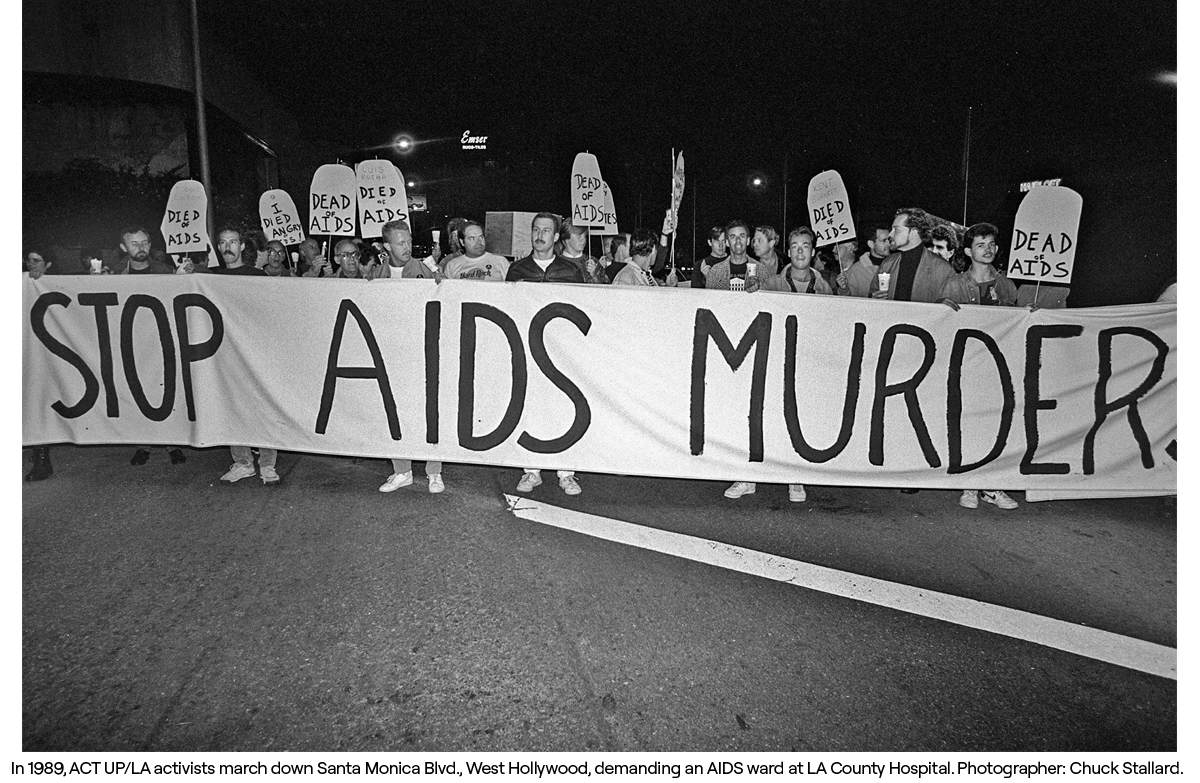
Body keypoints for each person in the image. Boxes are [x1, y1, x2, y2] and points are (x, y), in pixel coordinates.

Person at [939, 222, 1019, 511]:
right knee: (968, 422)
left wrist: (1028, 314)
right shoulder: (955, 285)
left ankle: (992, 485)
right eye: (981, 244)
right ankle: (970, 483)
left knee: (996, 423)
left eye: (992, 245)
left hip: (996, 367)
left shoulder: (1007, 285)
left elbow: (1014, 325)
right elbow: (941, 325)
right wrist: (943, 311)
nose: (988, 250)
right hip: (966, 365)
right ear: (968, 250)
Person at [506, 213, 584, 495]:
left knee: (564, 408)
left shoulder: (570, 271)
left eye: (546, 231)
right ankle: (532, 470)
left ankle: (566, 472)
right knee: (530, 407)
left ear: (555, 237)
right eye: (536, 230)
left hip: (560, 354)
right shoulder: (517, 270)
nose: (540, 235)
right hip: (527, 351)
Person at [115, 226, 190, 466]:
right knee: (135, 391)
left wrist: (184, 278)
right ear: (123, 248)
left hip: (161, 341)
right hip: (132, 342)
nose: (141, 248)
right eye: (134, 244)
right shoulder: (113, 275)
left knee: (167, 390)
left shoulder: (166, 271)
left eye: (144, 242)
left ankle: (173, 443)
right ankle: (142, 444)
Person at [869, 208, 955, 302]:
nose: (890, 234)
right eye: (891, 229)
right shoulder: (888, 263)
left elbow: (951, 307)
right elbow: (873, 294)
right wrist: (873, 299)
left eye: (896, 230)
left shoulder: (942, 268)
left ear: (914, 232)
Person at [368, 220, 443, 280]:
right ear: (388, 246)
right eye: (401, 243)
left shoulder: (426, 271)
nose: (408, 248)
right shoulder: (376, 275)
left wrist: (443, 283)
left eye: (409, 242)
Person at [443, 221, 510, 281]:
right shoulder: (452, 265)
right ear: (462, 242)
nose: (479, 242)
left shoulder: (501, 262)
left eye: (481, 237)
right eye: (472, 238)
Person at [838, 225, 891, 297]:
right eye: (884, 240)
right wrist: (844, 289)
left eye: (889, 239)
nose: (889, 244)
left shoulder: (896, 265)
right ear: (871, 244)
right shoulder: (855, 271)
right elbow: (848, 302)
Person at [703, 220, 753, 290]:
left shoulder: (761, 270)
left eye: (742, 236)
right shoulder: (715, 272)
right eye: (733, 237)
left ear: (748, 241)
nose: (738, 240)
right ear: (727, 242)